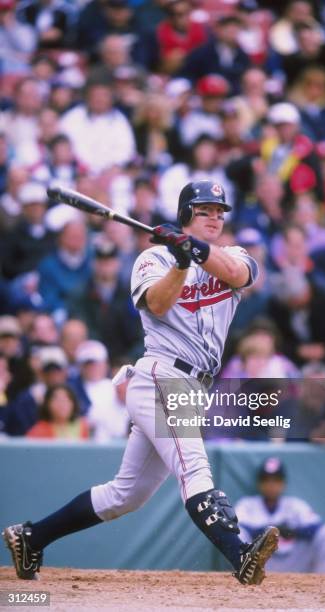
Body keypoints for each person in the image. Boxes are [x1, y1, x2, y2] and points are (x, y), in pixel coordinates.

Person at [3, 179, 279, 584]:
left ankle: (31, 536)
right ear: (185, 215)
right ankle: (240, 556)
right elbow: (158, 303)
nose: (215, 218)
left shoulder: (231, 255)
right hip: (162, 376)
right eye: (204, 211)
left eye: (219, 213)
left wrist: (197, 251)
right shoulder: (152, 260)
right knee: (194, 468)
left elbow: (239, 274)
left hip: (196, 386)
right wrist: (182, 261)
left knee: (125, 495)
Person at [235, 457, 325, 573]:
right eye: (266, 479)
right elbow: (237, 530)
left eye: (276, 480)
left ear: (283, 483)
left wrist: (293, 532)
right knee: (237, 534)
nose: (271, 484)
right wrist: (268, 531)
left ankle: (322, 580)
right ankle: (245, 578)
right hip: (258, 565)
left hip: (295, 562)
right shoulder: (247, 504)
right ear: (259, 483)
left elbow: (317, 528)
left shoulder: (295, 505)